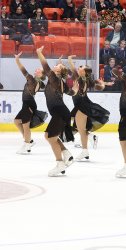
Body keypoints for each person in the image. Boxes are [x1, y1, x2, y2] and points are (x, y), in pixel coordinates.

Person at [36, 46, 78, 177]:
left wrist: (39, 53)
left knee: (51, 137)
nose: (56, 66)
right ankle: (66, 153)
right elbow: (70, 92)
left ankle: (60, 164)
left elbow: (45, 65)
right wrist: (75, 90)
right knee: (48, 136)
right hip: (60, 112)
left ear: (59, 72)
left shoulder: (54, 78)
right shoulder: (59, 81)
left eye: (58, 66)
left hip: (60, 112)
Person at [67, 55, 111, 161]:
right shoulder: (86, 79)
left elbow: (73, 69)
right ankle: (91, 139)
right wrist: (103, 85)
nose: (79, 67)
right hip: (82, 104)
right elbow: (99, 87)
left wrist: (69, 60)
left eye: (81, 67)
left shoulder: (80, 79)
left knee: (81, 130)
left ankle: (85, 151)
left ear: (84, 72)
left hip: (81, 106)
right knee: (80, 128)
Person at [14, 52, 48, 154]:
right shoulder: (36, 81)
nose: (36, 70)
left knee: (25, 126)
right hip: (27, 104)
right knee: (16, 121)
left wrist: (17, 60)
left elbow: (23, 70)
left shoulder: (32, 80)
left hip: (28, 104)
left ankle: (27, 145)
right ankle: (29, 141)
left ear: (41, 75)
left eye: (39, 70)